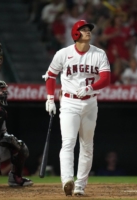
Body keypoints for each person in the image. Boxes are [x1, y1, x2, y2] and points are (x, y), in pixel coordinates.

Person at [42, 19, 111, 196]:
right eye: (84, 29)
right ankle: (67, 181)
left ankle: (80, 185)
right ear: (75, 33)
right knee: (68, 143)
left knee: (87, 146)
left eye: (89, 29)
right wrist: (50, 98)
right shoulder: (63, 54)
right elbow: (50, 76)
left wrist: (90, 88)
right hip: (69, 103)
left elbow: (106, 79)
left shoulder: (99, 54)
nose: (88, 32)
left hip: (90, 102)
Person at [0, 80, 33, 186]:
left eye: (3, 90)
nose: (3, 92)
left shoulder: (2, 112)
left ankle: (15, 178)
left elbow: (2, 132)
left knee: (20, 147)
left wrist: (8, 138)